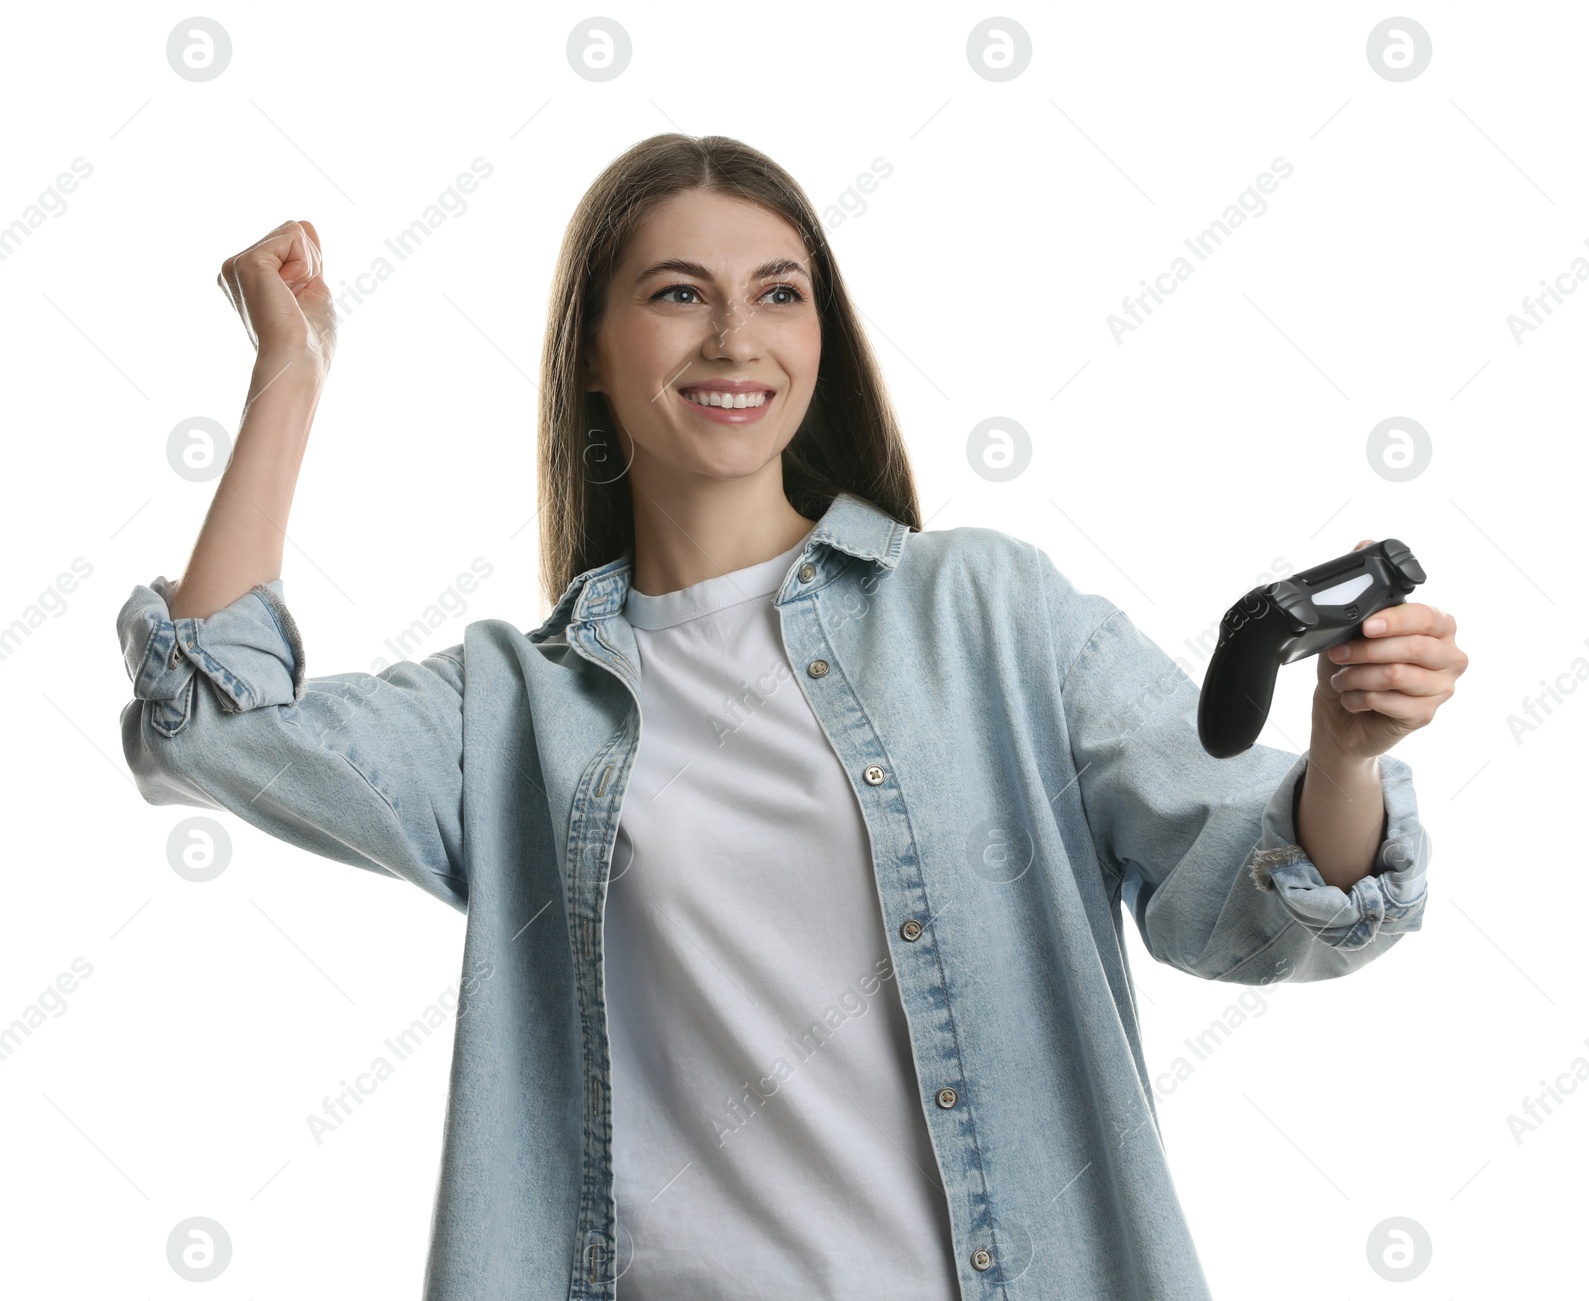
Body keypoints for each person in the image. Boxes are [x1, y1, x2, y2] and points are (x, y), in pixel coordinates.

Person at [115, 133, 1468, 1301]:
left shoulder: (987, 613)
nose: (734, 338)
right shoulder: (517, 711)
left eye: (778, 292)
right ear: (593, 351)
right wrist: (289, 372)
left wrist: (1345, 755)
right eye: (677, 294)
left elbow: (1252, 891)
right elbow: (213, 732)